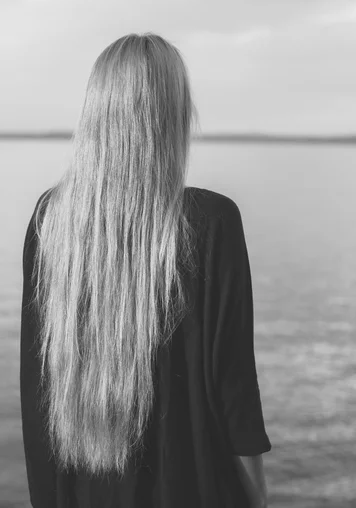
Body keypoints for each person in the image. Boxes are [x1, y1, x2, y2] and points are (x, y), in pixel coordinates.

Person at [20, 32, 272, 507]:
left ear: (95, 116)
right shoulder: (212, 222)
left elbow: (38, 398)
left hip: (84, 491)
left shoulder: (50, 221)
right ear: (174, 117)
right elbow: (234, 387)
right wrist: (258, 496)